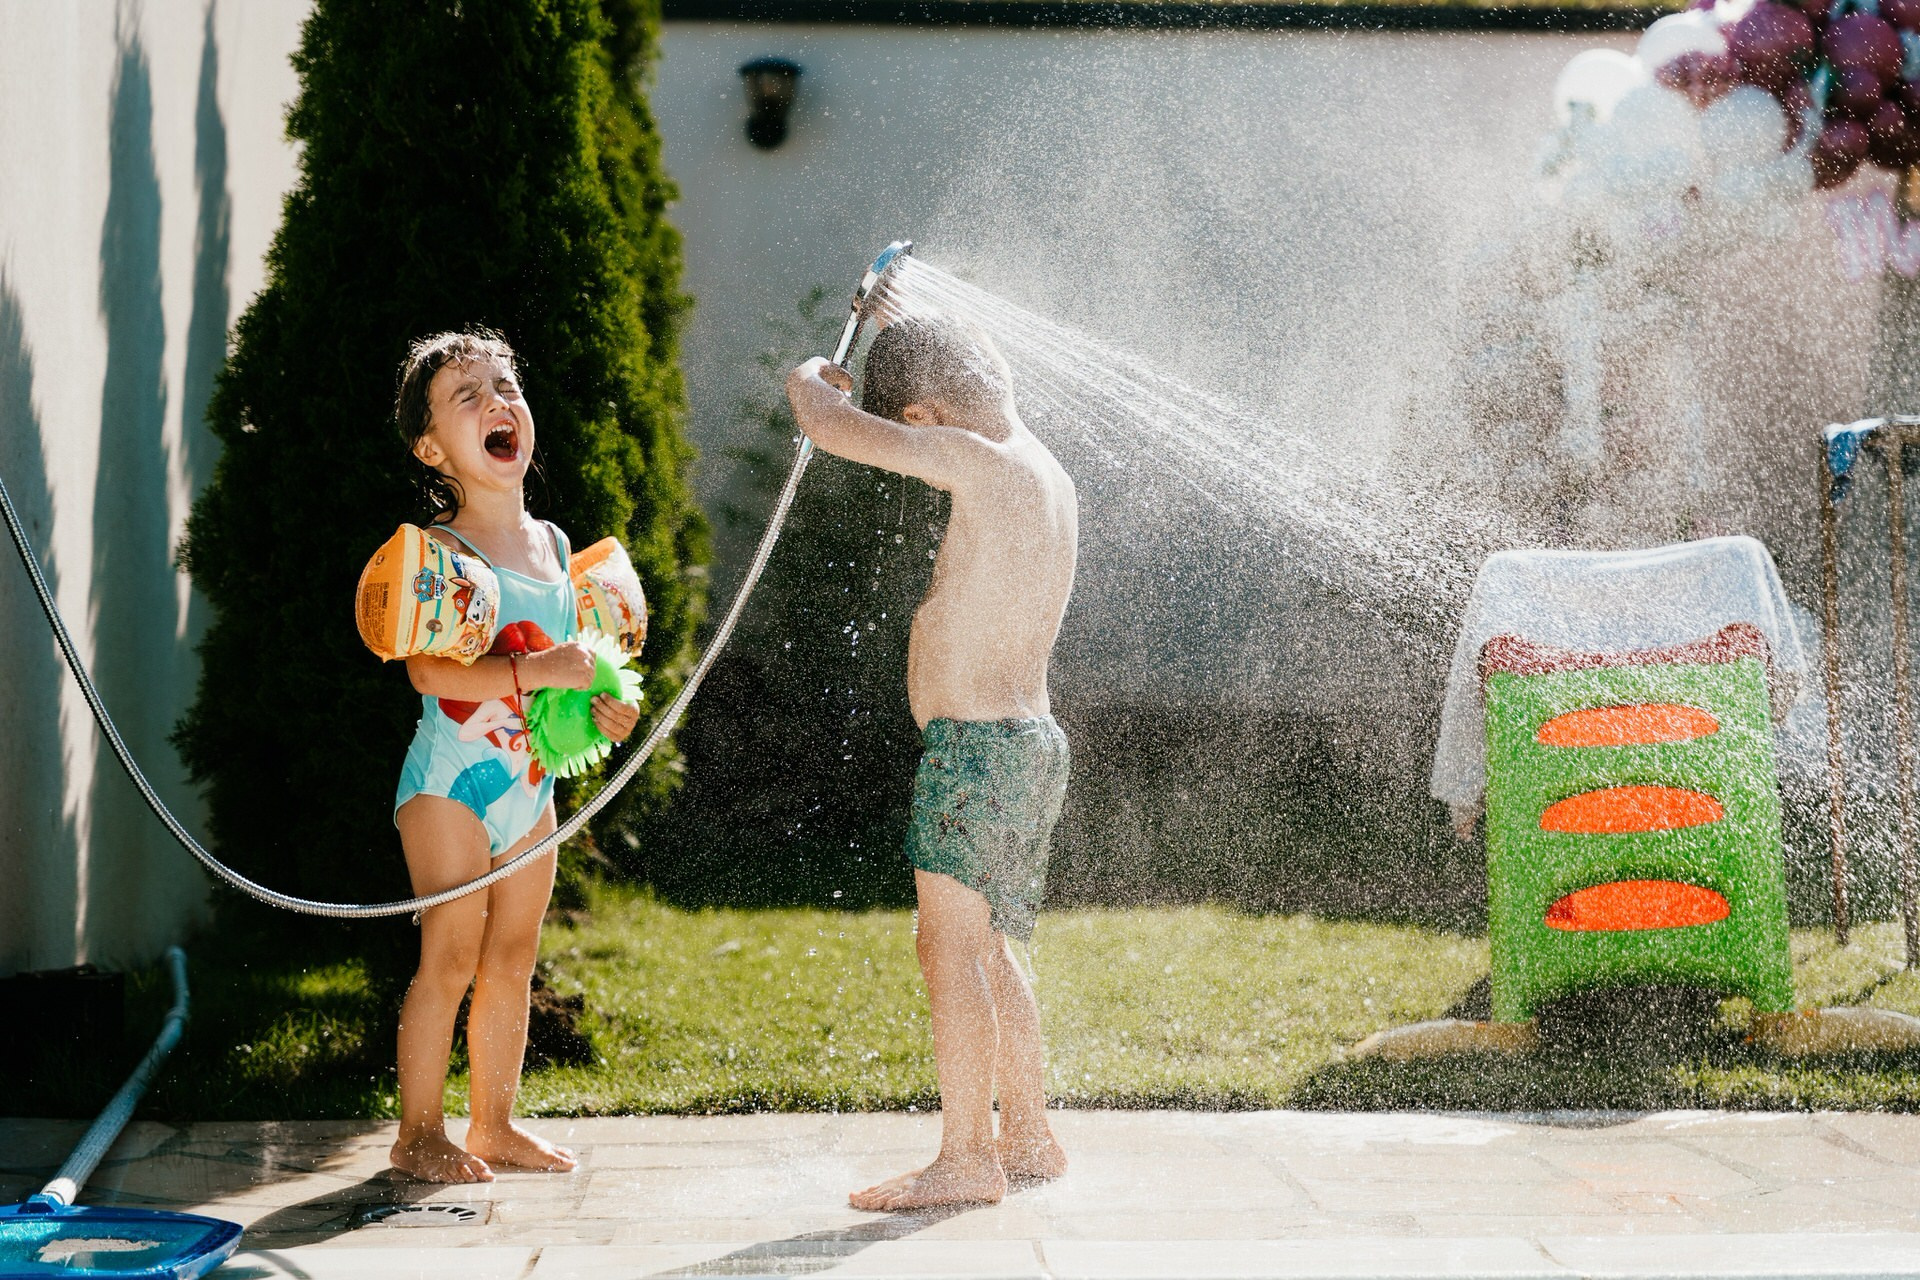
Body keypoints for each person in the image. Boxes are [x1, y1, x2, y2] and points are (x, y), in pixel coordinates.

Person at [786, 314, 1078, 1211]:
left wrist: (808, 382)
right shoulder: (1044, 469)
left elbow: (832, 429)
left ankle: (963, 1157)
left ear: (922, 418)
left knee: (947, 947)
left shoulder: (981, 464)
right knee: (992, 944)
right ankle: (1027, 1134)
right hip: (1030, 744)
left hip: (977, 751)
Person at [386, 329, 640, 1183]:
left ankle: (492, 1123)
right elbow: (429, 670)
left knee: (513, 955)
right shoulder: (447, 553)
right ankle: (418, 1131)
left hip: (529, 787)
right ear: (433, 448)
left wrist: (603, 709)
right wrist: (540, 668)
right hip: (449, 786)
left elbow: (569, 685)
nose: (499, 403)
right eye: (470, 396)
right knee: (451, 952)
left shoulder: (558, 550)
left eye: (508, 387)